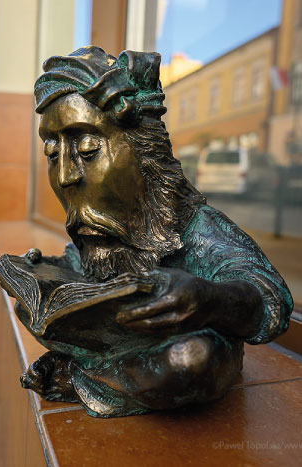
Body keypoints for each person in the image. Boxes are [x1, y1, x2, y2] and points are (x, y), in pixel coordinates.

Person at [16, 47, 291, 417]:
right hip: (120, 336)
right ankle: (104, 373)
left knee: (193, 360)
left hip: (180, 347)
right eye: (53, 153)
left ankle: (79, 375)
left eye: (87, 147)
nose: (65, 175)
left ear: (144, 150)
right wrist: (45, 272)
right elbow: (79, 263)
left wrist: (208, 298)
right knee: (26, 305)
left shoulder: (197, 225)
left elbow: (270, 298)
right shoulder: (101, 223)